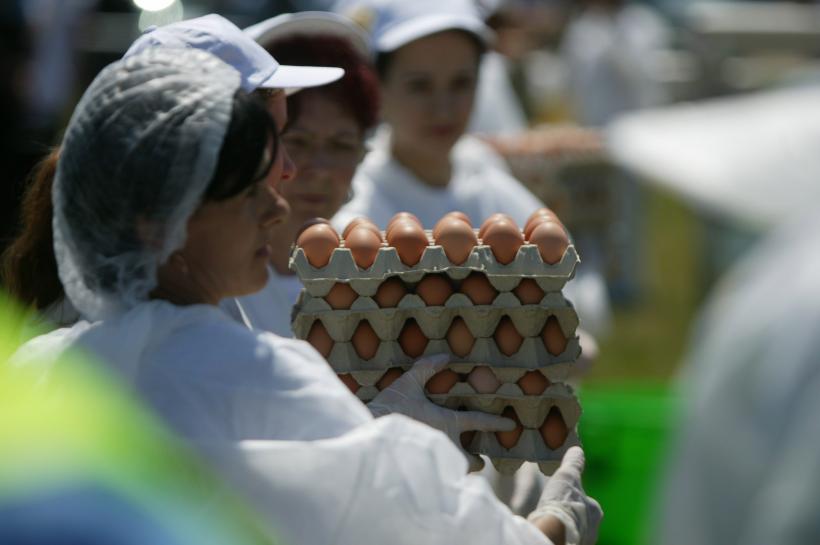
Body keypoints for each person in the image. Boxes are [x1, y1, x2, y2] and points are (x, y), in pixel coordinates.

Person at [10, 35, 600, 545]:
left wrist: (367, 428)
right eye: (251, 185)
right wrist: (554, 524)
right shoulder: (256, 374)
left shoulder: (44, 367)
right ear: (160, 219)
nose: (280, 199)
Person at [223, 11, 379, 335]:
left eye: (341, 145)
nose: (319, 170)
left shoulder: (374, 265)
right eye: (297, 142)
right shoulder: (213, 282)